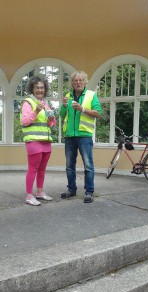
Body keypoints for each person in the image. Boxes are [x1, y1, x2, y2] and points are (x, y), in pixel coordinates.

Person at [60, 71, 102, 203]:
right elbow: (62, 115)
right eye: (75, 81)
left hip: (84, 136)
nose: (78, 83)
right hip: (69, 137)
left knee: (88, 165)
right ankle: (71, 190)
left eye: (80, 80)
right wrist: (64, 105)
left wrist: (82, 109)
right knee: (69, 166)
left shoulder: (91, 95)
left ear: (84, 82)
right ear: (72, 83)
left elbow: (98, 113)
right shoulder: (68, 96)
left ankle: (89, 192)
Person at [21, 76, 56, 206]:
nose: (40, 90)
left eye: (42, 87)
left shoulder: (46, 103)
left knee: (42, 169)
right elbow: (24, 121)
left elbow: (51, 124)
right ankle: (29, 196)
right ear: (32, 89)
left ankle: (40, 193)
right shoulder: (28, 102)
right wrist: (36, 110)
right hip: (33, 141)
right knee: (33, 169)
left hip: (46, 141)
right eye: (37, 87)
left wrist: (51, 120)